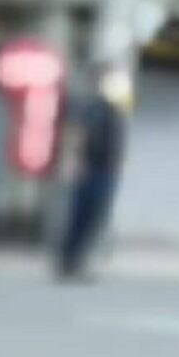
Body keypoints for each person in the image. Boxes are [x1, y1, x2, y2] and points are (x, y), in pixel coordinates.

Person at [56, 68, 132, 280]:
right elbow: (77, 134)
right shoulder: (91, 108)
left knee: (94, 218)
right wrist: (74, 162)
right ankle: (69, 262)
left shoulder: (115, 110)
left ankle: (77, 262)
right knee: (81, 218)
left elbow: (116, 142)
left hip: (106, 171)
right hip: (91, 170)